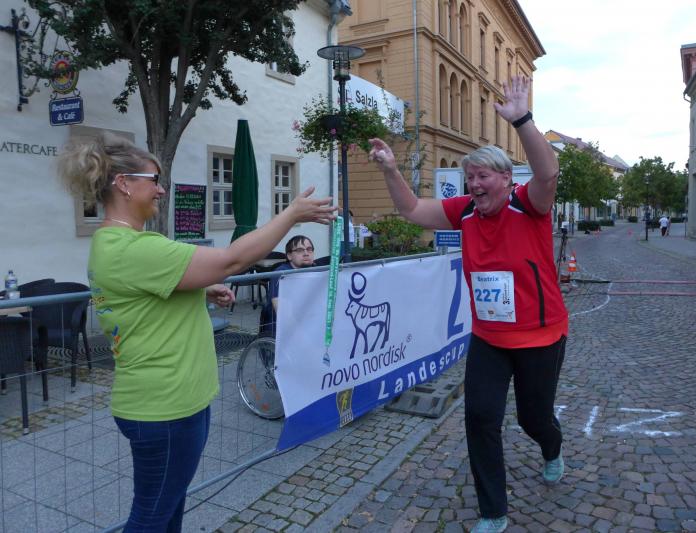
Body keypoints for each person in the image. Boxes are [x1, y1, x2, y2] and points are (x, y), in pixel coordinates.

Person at [58, 133, 335, 532]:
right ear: (123, 184)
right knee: (151, 519)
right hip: (165, 407)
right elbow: (232, 259)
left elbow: (139, 293)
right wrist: (290, 214)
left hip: (170, 402)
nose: (161, 189)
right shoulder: (133, 248)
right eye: (154, 180)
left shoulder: (120, 243)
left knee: (168, 511)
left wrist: (200, 289)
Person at [368, 75, 567, 533]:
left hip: (540, 335)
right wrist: (390, 170)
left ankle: (552, 447)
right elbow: (412, 211)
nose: (474, 184)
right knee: (479, 417)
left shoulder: (529, 205)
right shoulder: (465, 212)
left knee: (534, 418)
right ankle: (493, 512)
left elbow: (547, 173)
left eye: (482, 176)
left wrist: (522, 120)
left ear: (505, 178)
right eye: (469, 177)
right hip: (489, 337)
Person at [259, 235, 316, 337]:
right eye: (300, 250)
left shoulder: (317, 270)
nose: (306, 253)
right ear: (289, 256)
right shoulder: (281, 274)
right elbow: (282, 312)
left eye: (309, 249)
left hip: (308, 327)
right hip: (280, 333)